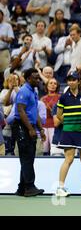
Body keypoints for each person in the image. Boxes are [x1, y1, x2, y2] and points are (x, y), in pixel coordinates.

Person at [55, 72, 81, 197]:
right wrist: (68, 123)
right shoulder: (63, 97)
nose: (71, 82)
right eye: (69, 80)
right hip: (69, 132)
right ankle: (60, 188)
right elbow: (58, 115)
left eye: (74, 80)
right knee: (69, 159)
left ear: (78, 81)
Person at [12, 68, 45, 196]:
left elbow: (34, 111)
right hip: (22, 126)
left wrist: (40, 129)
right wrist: (31, 129)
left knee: (28, 158)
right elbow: (21, 111)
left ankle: (22, 188)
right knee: (27, 157)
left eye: (38, 77)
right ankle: (30, 187)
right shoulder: (24, 91)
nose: (38, 80)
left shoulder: (33, 91)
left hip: (29, 126)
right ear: (27, 79)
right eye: (35, 78)